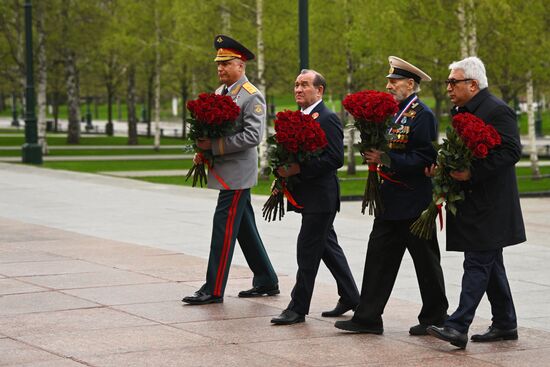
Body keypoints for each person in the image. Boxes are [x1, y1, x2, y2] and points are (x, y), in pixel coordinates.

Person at [334, 56, 448, 335]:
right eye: (389, 81)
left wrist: (386, 158)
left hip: (413, 202)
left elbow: (425, 157)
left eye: (394, 81)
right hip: (389, 199)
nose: (388, 85)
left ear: (410, 84)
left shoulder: (422, 114)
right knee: (378, 259)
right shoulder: (392, 113)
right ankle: (368, 317)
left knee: (426, 262)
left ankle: (435, 317)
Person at [426, 56, 526, 349]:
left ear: (473, 83)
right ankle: (506, 322)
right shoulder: (463, 110)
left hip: (491, 205)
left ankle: (457, 326)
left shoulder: (497, 110)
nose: (448, 88)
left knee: (478, 262)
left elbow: (511, 151)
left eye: (453, 82)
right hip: (474, 201)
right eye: (448, 83)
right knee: (490, 264)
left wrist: (472, 172)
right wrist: (443, 170)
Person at [182, 34, 279, 305]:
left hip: (237, 176)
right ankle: (266, 279)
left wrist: (212, 146)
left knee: (223, 229)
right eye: (219, 64)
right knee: (244, 228)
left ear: (241, 65)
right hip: (224, 171)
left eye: (226, 63)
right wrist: (202, 151)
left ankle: (213, 288)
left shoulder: (251, 96)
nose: (220, 68)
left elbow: (252, 137)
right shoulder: (219, 94)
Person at [270, 69, 360, 325]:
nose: (298, 89)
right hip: (307, 196)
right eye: (296, 85)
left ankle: (297, 308)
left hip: (321, 198)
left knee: (307, 251)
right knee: (328, 249)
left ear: (319, 91)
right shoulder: (298, 117)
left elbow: (335, 159)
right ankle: (352, 297)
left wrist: (299, 169)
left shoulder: (327, 118)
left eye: (304, 85)